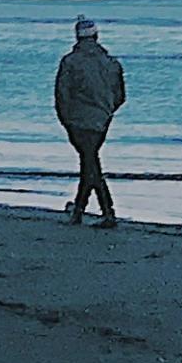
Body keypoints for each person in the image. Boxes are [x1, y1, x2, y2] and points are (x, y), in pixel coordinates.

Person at [54, 16, 127, 226]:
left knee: (90, 163)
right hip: (101, 121)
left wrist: (66, 119)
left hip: (77, 121)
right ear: (96, 36)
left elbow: (61, 95)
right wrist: (106, 112)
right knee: (90, 162)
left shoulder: (70, 62)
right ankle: (81, 210)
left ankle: (105, 212)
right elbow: (120, 96)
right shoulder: (111, 63)